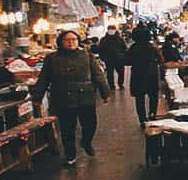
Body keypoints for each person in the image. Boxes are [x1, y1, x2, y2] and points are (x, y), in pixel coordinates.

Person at [30, 30, 111, 165]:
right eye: (67, 40)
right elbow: (44, 79)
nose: (71, 42)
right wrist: (37, 98)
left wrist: (105, 92)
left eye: (73, 39)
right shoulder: (52, 59)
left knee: (90, 125)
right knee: (67, 129)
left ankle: (86, 142)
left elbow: (98, 75)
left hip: (85, 97)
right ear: (61, 42)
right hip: (63, 98)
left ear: (78, 41)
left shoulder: (87, 56)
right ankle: (70, 154)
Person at [126, 24, 162, 127]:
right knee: (153, 96)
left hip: (138, 75)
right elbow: (160, 60)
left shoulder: (133, 48)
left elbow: (127, 61)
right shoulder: (152, 48)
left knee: (139, 98)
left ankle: (142, 120)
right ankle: (152, 115)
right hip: (151, 74)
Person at [97, 25, 128, 90]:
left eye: (112, 29)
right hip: (109, 59)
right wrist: (103, 57)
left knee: (121, 72)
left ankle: (120, 84)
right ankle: (111, 86)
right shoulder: (103, 39)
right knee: (110, 73)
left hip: (119, 59)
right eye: (110, 29)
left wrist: (123, 56)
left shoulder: (120, 39)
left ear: (115, 30)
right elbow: (100, 49)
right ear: (107, 30)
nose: (111, 30)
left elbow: (124, 48)